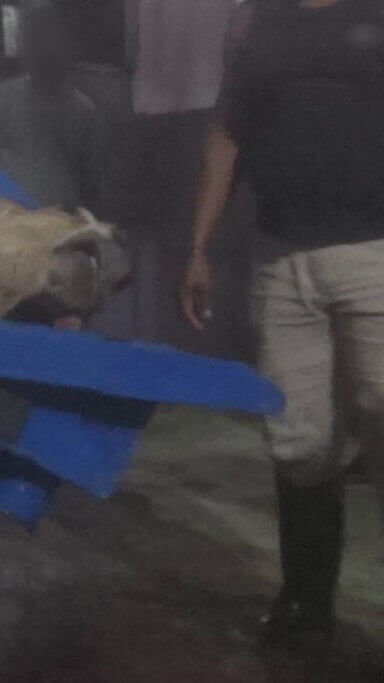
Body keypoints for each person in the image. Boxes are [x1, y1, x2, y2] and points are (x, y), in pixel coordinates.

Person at [181, 0, 384, 655]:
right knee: (299, 444)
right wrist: (200, 245)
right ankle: (306, 605)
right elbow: (226, 133)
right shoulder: (255, 20)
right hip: (280, 258)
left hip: (374, 253)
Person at [0, 2, 105, 214]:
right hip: (8, 220)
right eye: (31, 37)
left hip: (62, 221)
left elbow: (92, 184)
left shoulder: (84, 111)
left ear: (70, 46)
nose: (42, 46)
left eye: (50, 36)